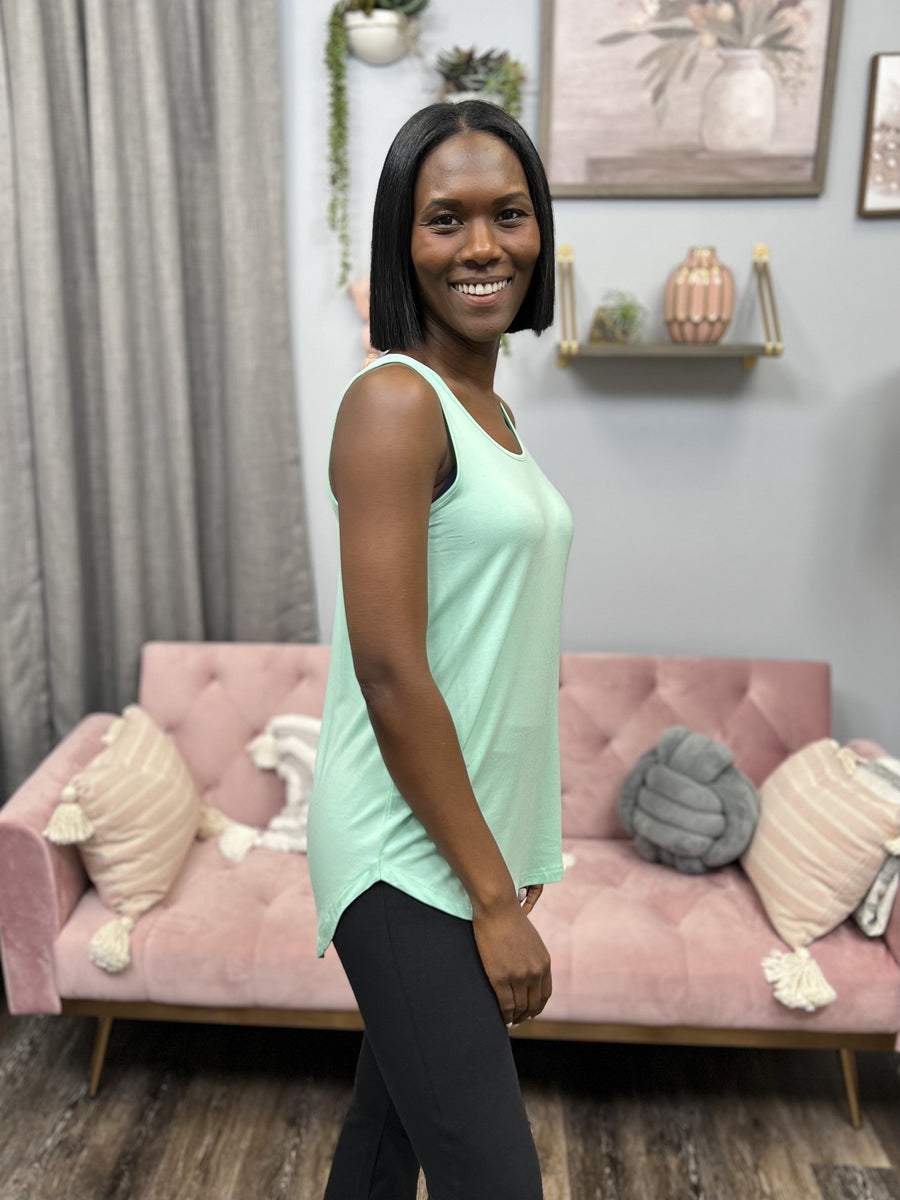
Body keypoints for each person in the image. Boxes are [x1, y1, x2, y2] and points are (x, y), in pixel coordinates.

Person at [306, 98, 573, 1200]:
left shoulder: (489, 413)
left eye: (508, 213)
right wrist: (492, 897)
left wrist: (510, 846)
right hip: (399, 850)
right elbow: (389, 672)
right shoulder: (394, 402)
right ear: (401, 241)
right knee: (495, 1180)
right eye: (444, 219)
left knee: (383, 1149)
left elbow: (494, 649)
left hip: (459, 843)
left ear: (540, 230)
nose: (481, 247)